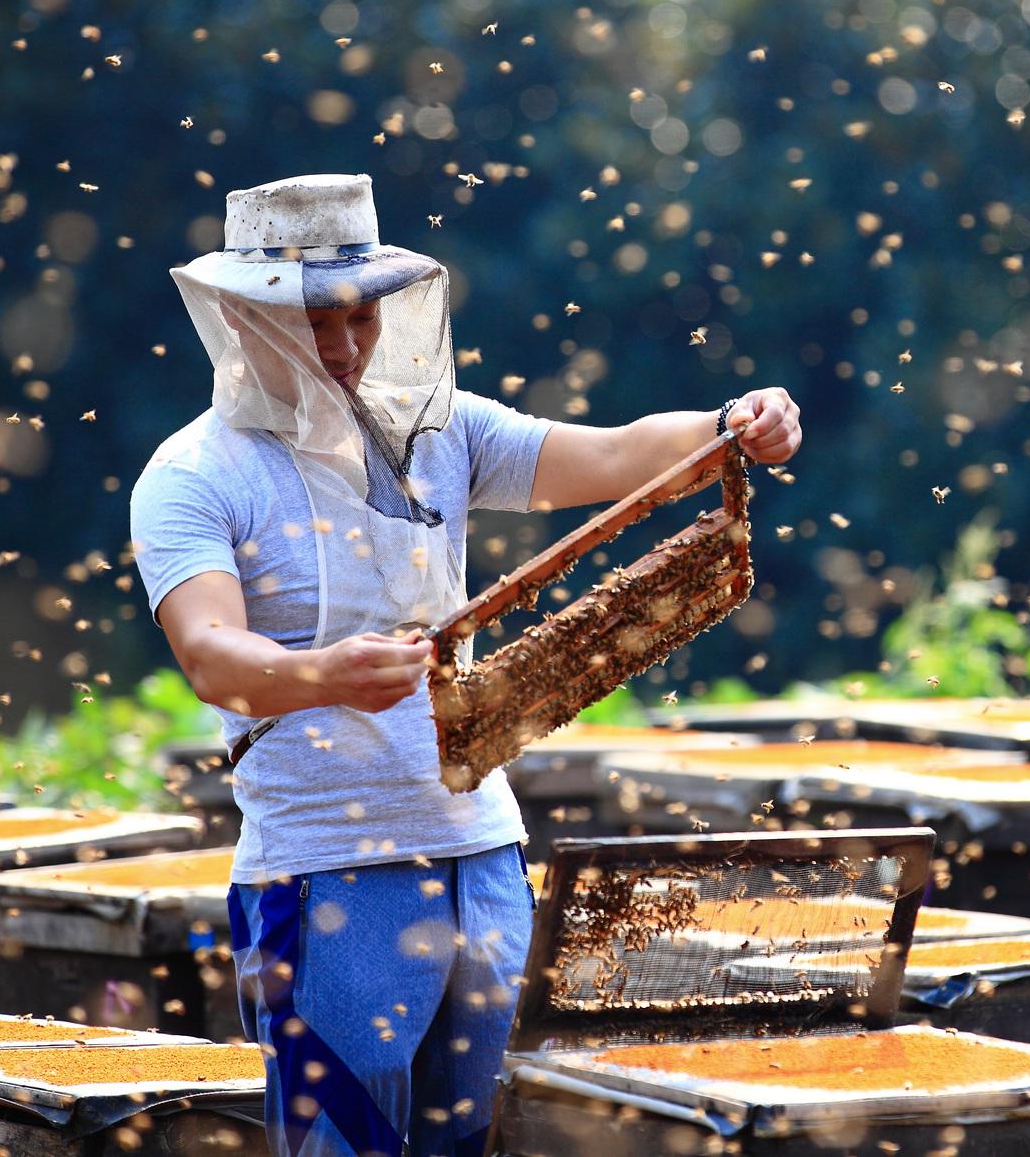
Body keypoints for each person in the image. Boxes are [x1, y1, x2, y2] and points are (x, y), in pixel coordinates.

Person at [129, 173, 800, 1157]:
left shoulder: (438, 431)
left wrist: (726, 425)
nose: (346, 346)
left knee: (497, 1139)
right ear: (241, 315)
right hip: (325, 875)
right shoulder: (193, 476)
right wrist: (326, 676)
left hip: (481, 852)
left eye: (359, 318)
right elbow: (209, 654)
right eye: (315, 321)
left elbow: (615, 457)